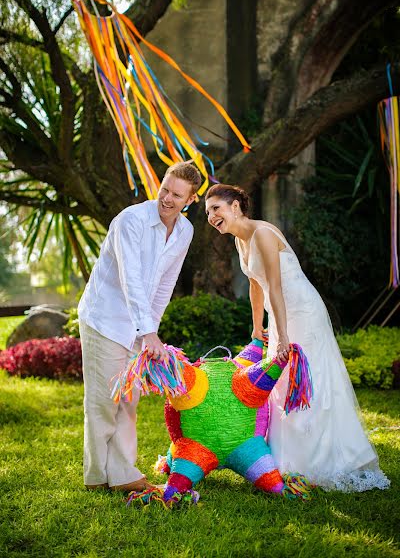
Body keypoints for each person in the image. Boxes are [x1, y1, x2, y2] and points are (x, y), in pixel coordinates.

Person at [205, 183, 390, 492]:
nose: (212, 216)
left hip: (301, 312)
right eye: (209, 212)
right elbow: (255, 285)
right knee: (280, 382)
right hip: (280, 316)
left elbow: (274, 286)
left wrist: (283, 336)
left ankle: (321, 461)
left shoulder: (263, 233)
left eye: (216, 209)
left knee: (308, 379)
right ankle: (286, 459)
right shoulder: (240, 240)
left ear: (236, 206)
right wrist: (256, 327)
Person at [78, 162, 202, 492]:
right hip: (104, 319)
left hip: (138, 326)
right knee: (104, 399)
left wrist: (150, 332)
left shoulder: (185, 232)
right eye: (165, 189)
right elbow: (130, 279)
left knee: (128, 400)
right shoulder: (130, 220)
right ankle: (96, 476)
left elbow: (164, 285)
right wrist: (148, 333)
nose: (167, 199)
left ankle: (122, 473)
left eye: (177, 195)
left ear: (190, 199)